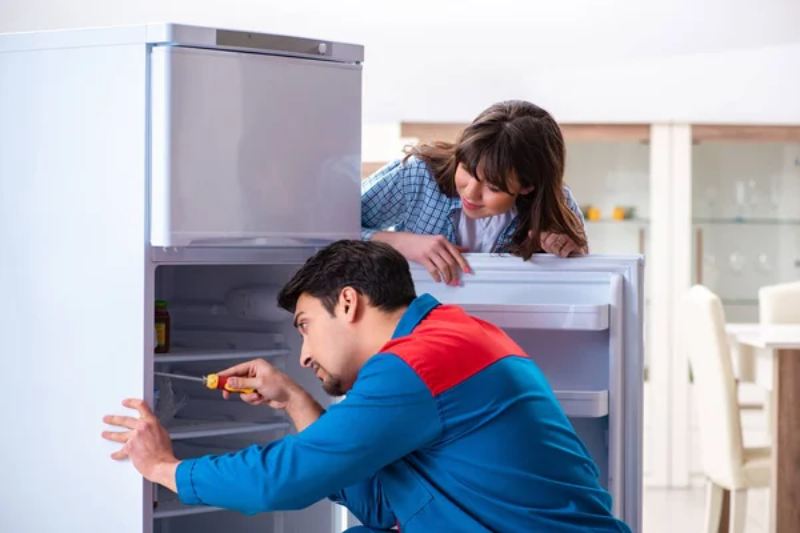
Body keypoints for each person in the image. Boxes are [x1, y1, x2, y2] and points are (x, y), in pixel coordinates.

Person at [102, 240, 630, 533]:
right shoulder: (447, 336)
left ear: (349, 303)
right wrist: (295, 400)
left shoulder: (417, 365)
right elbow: (385, 504)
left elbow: (284, 481)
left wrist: (163, 467)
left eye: (306, 324)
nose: (304, 353)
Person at [361, 100, 588, 285]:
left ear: (528, 186)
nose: (470, 193)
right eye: (467, 170)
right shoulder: (417, 176)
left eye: (493, 187)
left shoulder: (556, 203)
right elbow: (328, 234)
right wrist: (399, 243)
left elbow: (584, 280)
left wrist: (572, 251)